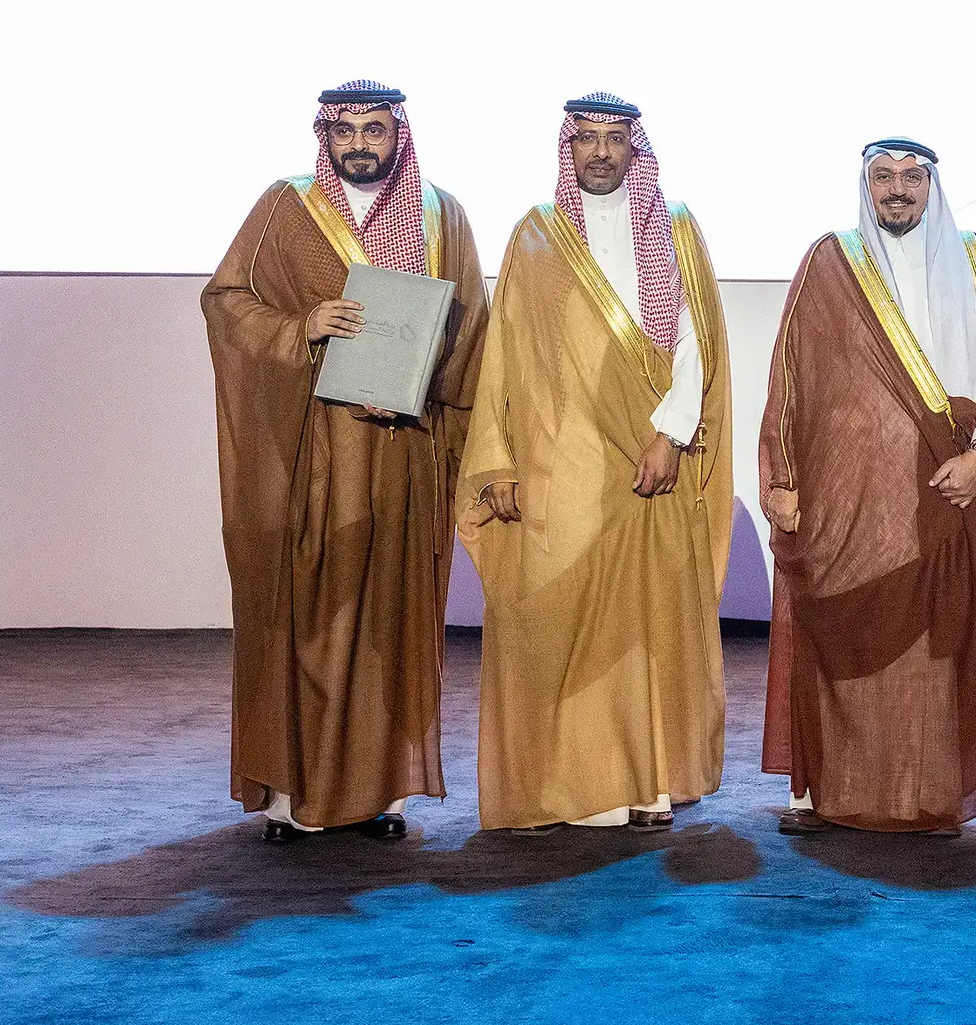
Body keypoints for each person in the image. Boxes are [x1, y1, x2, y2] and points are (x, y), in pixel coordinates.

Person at [203, 80, 488, 841]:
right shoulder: (284, 207)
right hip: (314, 459)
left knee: (389, 625)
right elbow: (226, 302)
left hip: (402, 456)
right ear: (325, 136)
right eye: (346, 132)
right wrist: (303, 326)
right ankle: (293, 796)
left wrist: (417, 385)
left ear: (399, 134)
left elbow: (470, 336)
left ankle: (380, 794)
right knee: (309, 620)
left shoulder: (441, 214)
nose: (360, 144)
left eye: (374, 130)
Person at [459, 94, 732, 833]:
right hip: (556, 470)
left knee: (644, 628)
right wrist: (499, 460)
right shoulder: (535, 236)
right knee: (546, 621)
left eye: (616, 140)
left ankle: (644, 782)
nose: (602, 153)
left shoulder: (673, 226)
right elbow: (504, 356)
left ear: (634, 149)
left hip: (650, 462)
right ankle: (553, 787)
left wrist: (673, 435)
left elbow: (691, 341)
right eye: (589, 140)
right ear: (568, 147)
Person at [760, 137, 976, 835]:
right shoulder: (830, 259)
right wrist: (781, 475)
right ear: (865, 184)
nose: (897, 190)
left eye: (911, 177)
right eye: (883, 177)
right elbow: (790, 376)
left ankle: (923, 793)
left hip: (944, 490)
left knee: (931, 648)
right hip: (849, 502)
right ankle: (829, 791)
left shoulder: (971, 258)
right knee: (841, 630)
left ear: (932, 185)